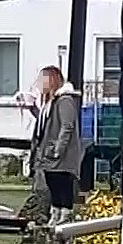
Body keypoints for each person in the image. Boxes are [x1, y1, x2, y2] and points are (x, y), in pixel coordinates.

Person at [30, 65, 85, 225]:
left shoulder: (64, 100)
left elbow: (67, 126)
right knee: (52, 181)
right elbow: (45, 123)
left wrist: (58, 149)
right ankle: (56, 213)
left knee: (62, 182)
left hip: (60, 154)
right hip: (48, 152)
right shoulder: (50, 102)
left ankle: (65, 213)